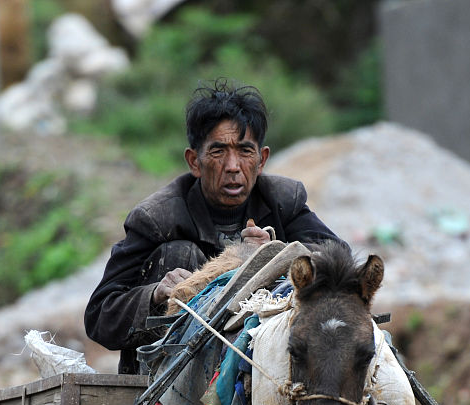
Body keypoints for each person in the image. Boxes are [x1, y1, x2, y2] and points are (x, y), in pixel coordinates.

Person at [84, 80, 340, 373]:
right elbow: (99, 316)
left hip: (259, 373)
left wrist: (276, 254)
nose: (233, 166)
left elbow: (336, 258)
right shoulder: (158, 219)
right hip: (171, 381)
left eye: (245, 151)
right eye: (218, 151)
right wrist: (156, 293)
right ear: (195, 161)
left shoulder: (283, 202)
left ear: (261, 160)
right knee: (180, 254)